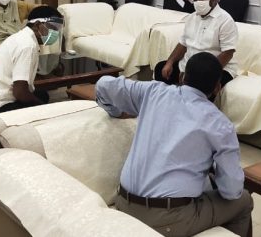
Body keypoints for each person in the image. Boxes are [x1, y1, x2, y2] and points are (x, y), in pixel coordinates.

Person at [96, 52, 253, 237]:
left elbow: (103, 85)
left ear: (181, 77)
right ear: (217, 88)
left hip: (123, 203)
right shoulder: (221, 125)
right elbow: (231, 191)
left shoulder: (153, 91)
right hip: (168, 219)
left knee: (206, 183)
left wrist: (115, 112)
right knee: (244, 201)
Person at [0, 6, 62, 120]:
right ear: (37, 25)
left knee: (42, 95)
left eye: (57, 28)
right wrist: (43, 108)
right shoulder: (27, 46)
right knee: (43, 109)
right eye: (53, 27)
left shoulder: (20, 37)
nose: (55, 32)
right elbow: (20, 93)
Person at [155, 0, 237, 99]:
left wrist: (199, 74)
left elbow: (228, 52)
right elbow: (183, 44)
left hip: (215, 67)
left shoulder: (225, 20)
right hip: (190, 66)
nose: (198, 2)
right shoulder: (192, 17)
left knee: (201, 86)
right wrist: (170, 62)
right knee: (161, 69)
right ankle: (170, 105)